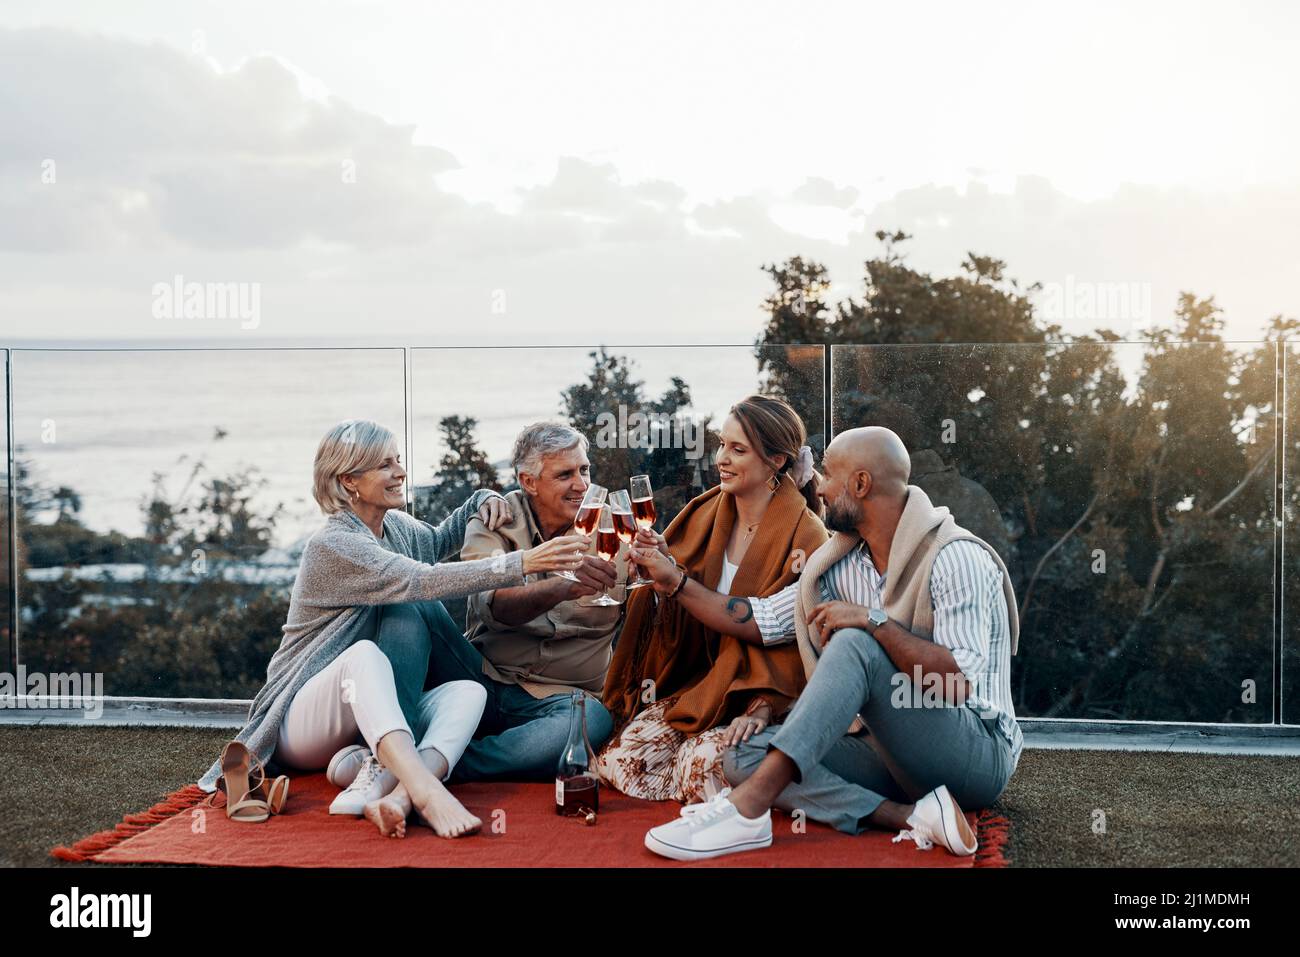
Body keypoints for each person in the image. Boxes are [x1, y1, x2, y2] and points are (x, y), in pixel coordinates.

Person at [635, 426, 1022, 861]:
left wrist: (874, 623)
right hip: (890, 755)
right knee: (743, 757)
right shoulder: (838, 565)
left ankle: (747, 813)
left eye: (828, 473)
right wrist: (676, 583)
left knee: (856, 641)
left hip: (974, 754)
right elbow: (758, 619)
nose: (819, 485)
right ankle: (910, 815)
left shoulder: (955, 557)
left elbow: (956, 683)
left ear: (860, 484)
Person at [196, 419, 587, 839]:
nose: (401, 472)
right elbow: (421, 580)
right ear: (349, 481)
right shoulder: (335, 544)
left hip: (365, 712)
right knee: (399, 616)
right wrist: (525, 562)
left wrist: (482, 498)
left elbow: (440, 540)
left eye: (398, 461)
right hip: (304, 713)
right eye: (385, 465)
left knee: (468, 691)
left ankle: (379, 767)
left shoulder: (395, 528)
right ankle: (421, 789)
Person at [596, 395, 828, 804]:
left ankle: (764, 777)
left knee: (697, 765)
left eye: (738, 450)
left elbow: (789, 635)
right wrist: (662, 573)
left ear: (776, 460)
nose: (721, 458)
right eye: (721, 444)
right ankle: (718, 779)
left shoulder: (807, 536)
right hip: (702, 680)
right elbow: (678, 611)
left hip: (764, 691)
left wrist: (679, 583)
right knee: (620, 760)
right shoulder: (703, 512)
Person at [410, 422, 622, 781]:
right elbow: (495, 607)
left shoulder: (612, 530)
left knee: (592, 720)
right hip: (481, 679)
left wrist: (663, 570)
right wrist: (561, 587)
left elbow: (650, 603)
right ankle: (394, 739)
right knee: (414, 604)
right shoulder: (496, 521)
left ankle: (436, 765)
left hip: (562, 697)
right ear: (528, 482)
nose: (582, 485)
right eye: (565, 474)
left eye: (584, 469)